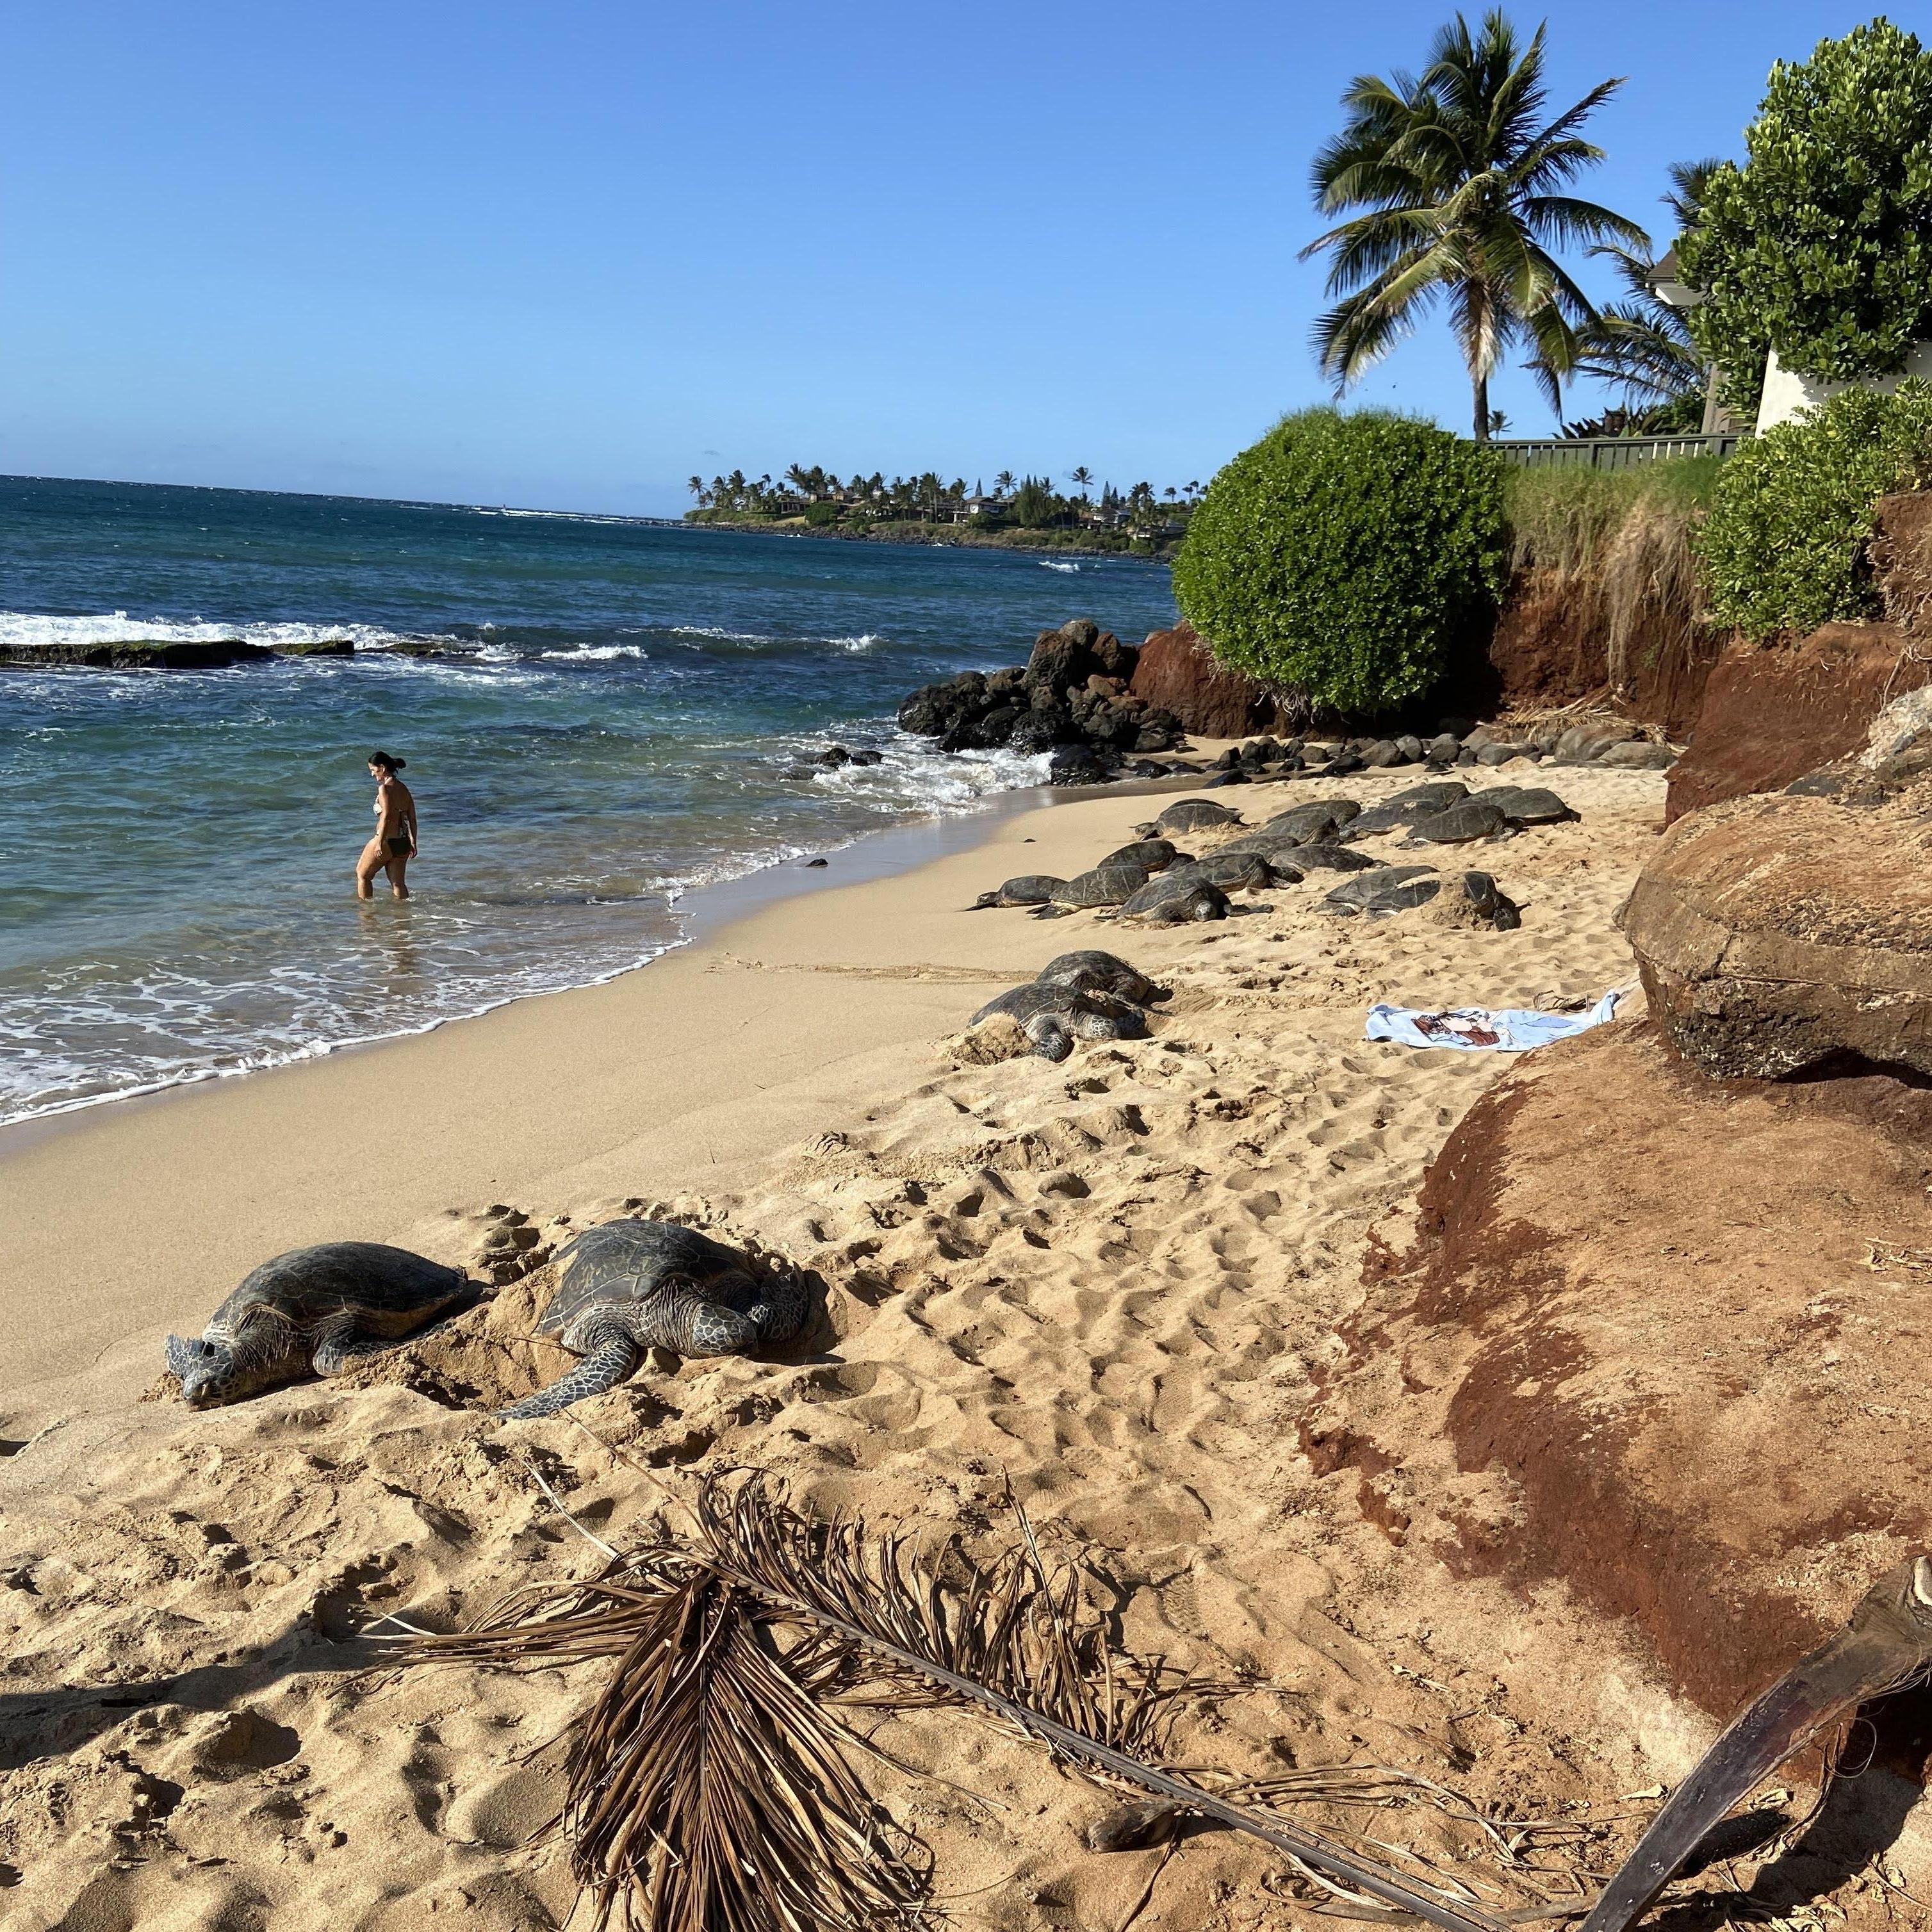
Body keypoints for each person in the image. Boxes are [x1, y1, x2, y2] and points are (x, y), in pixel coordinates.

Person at [357, 751, 417, 900]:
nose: (372, 774)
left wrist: (379, 843)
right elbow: (413, 819)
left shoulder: (384, 789)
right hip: (403, 842)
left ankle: (367, 916)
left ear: (382, 768)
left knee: (363, 876)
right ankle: (403, 918)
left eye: (373, 770)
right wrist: (413, 842)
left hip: (386, 841)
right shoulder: (404, 789)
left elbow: (386, 816)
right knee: (398, 884)